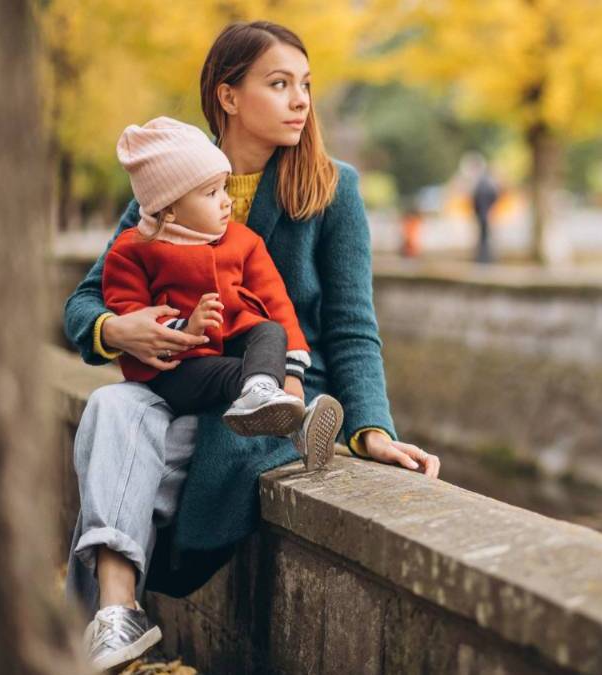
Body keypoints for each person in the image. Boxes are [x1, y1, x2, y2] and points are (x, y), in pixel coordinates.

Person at [62, 21, 440, 672]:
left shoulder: (333, 188)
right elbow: (84, 302)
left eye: (306, 85)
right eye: (279, 83)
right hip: (179, 384)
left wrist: (373, 427)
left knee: (122, 456)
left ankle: (85, 623)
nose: (301, 100)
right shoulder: (167, 180)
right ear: (228, 95)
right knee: (110, 411)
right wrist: (116, 329)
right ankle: (114, 613)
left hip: (269, 400)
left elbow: (352, 323)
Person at [105, 116, 329, 444]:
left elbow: (275, 300)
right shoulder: (134, 250)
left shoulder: (243, 240)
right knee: (242, 375)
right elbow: (128, 312)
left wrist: (293, 370)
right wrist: (185, 329)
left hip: (231, 348)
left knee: (270, 333)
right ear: (168, 210)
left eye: (224, 187)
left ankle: (274, 402)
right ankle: (290, 418)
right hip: (177, 371)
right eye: (211, 193)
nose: (227, 200)